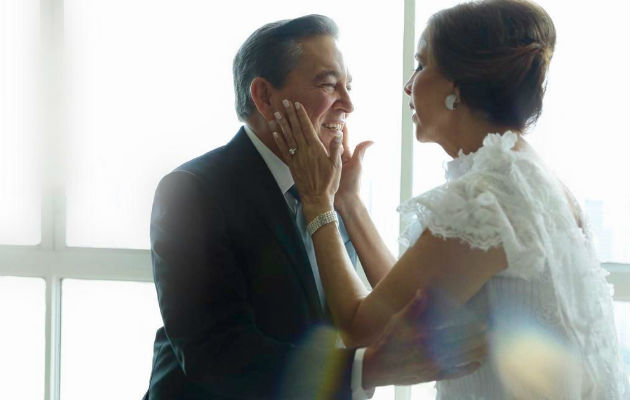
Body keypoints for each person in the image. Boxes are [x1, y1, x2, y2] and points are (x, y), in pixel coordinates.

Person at [270, 1, 629, 398]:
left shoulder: (487, 198)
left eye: (421, 65)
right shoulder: (524, 176)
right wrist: (350, 203)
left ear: (455, 87)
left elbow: (362, 326)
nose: (408, 84)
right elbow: (412, 296)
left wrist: (318, 202)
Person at [143, 14, 487, 400]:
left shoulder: (333, 185)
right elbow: (214, 353)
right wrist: (365, 368)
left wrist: (347, 204)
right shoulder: (193, 191)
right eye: (328, 84)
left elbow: (375, 306)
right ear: (265, 97)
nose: (349, 104)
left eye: (349, 86)